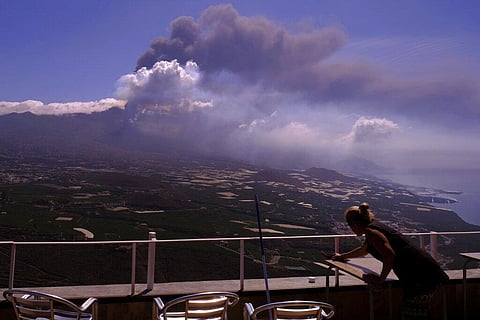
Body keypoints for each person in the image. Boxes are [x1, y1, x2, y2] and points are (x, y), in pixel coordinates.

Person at [332, 202, 449, 318]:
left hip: (421, 276)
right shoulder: (373, 228)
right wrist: (342, 256)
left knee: (412, 314)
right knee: (414, 312)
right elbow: (363, 250)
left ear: (355, 224)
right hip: (422, 273)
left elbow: (389, 255)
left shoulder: (371, 232)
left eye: (349, 225)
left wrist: (380, 279)